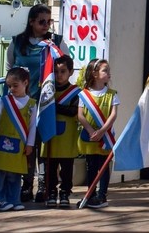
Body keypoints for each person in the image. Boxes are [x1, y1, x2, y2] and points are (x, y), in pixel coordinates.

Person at [6, 4, 65, 203]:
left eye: (49, 21)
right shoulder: (17, 42)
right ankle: (26, 184)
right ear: (31, 21)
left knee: (43, 144)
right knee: (27, 145)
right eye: (41, 21)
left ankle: (43, 185)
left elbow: (65, 67)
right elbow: (10, 70)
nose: (46, 25)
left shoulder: (56, 42)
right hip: (24, 103)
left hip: (46, 103)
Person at [0, 67, 37, 212]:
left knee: (15, 174)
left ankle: (13, 200)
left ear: (25, 83)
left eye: (15, 85)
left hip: (19, 144)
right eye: (9, 86)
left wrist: (30, 144)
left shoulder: (32, 104)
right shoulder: (5, 101)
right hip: (1, 143)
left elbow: (32, 126)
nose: (12, 89)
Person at [77, 58, 118, 210]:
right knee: (91, 166)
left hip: (105, 137)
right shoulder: (84, 94)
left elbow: (113, 115)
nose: (109, 73)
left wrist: (102, 131)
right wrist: (90, 130)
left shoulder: (112, 94)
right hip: (90, 137)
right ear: (94, 74)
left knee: (104, 166)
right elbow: (80, 115)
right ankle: (91, 194)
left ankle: (102, 196)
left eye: (108, 70)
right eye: (105, 70)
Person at [44, 54, 80, 208]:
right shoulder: (48, 91)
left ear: (70, 72)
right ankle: (51, 192)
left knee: (66, 168)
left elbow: (73, 111)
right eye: (56, 71)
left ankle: (65, 192)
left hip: (67, 137)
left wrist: (55, 107)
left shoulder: (75, 92)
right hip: (51, 136)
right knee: (51, 168)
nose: (59, 75)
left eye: (63, 71)